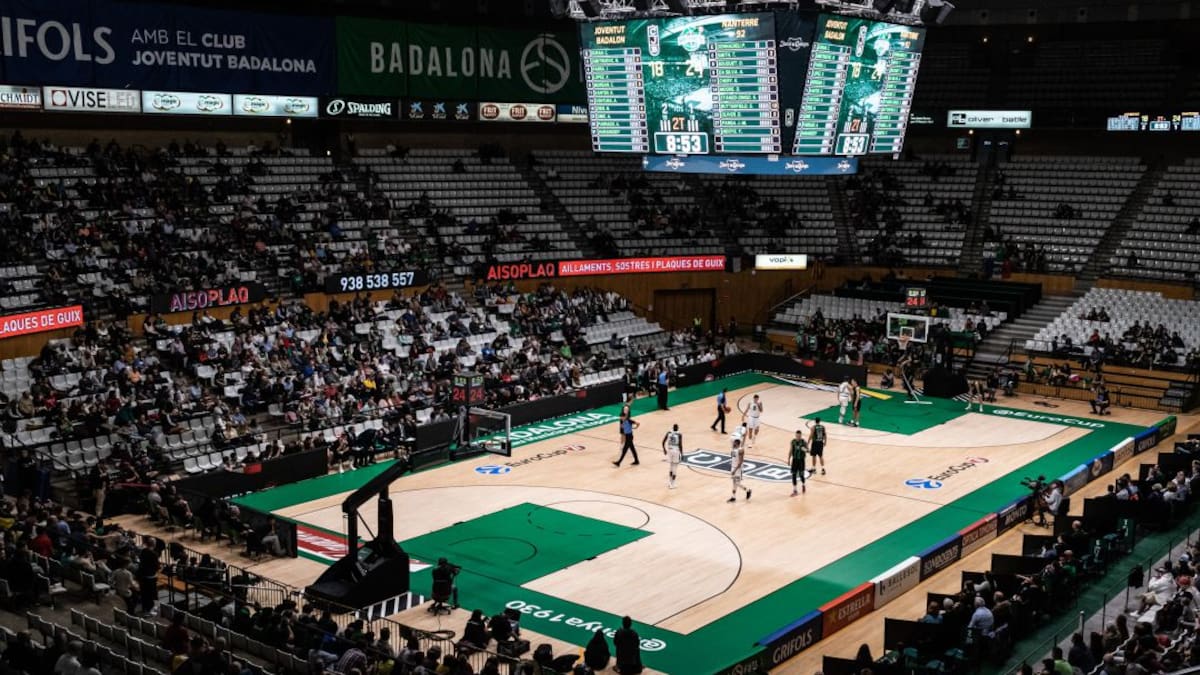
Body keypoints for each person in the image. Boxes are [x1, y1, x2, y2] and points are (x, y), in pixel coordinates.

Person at [728, 436, 752, 503]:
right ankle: (733, 497)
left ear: (738, 444)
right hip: (733, 467)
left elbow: (741, 461)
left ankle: (748, 490)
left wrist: (734, 470)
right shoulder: (733, 449)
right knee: (734, 483)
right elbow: (733, 458)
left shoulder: (740, 450)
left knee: (737, 483)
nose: (733, 443)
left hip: (738, 469)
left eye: (735, 443)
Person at [662, 424, 683, 489]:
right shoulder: (679, 434)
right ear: (677, 428)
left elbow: (663, 442)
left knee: (671, 467)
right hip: (676, 451)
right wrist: (682, 454)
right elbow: (680, 445)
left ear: (673, 428)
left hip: (669, 450)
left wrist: (664, 449)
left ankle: (670, 482)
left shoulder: (669, 432)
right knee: (675, 468)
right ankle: (672, 484)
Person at [790, 429, 809, 496]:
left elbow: (808, 451)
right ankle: (795, 490)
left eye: (799, 436)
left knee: (801, 475)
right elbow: (791, 450)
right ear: (795, 435)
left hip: (801, 460)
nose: (798, 437)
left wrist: (803, 449)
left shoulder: (804, 442)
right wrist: (789, 458)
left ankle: (803, 484)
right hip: (794, 460)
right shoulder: (793, 441)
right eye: (797, 436)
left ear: (801, 436)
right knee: (793, 474)